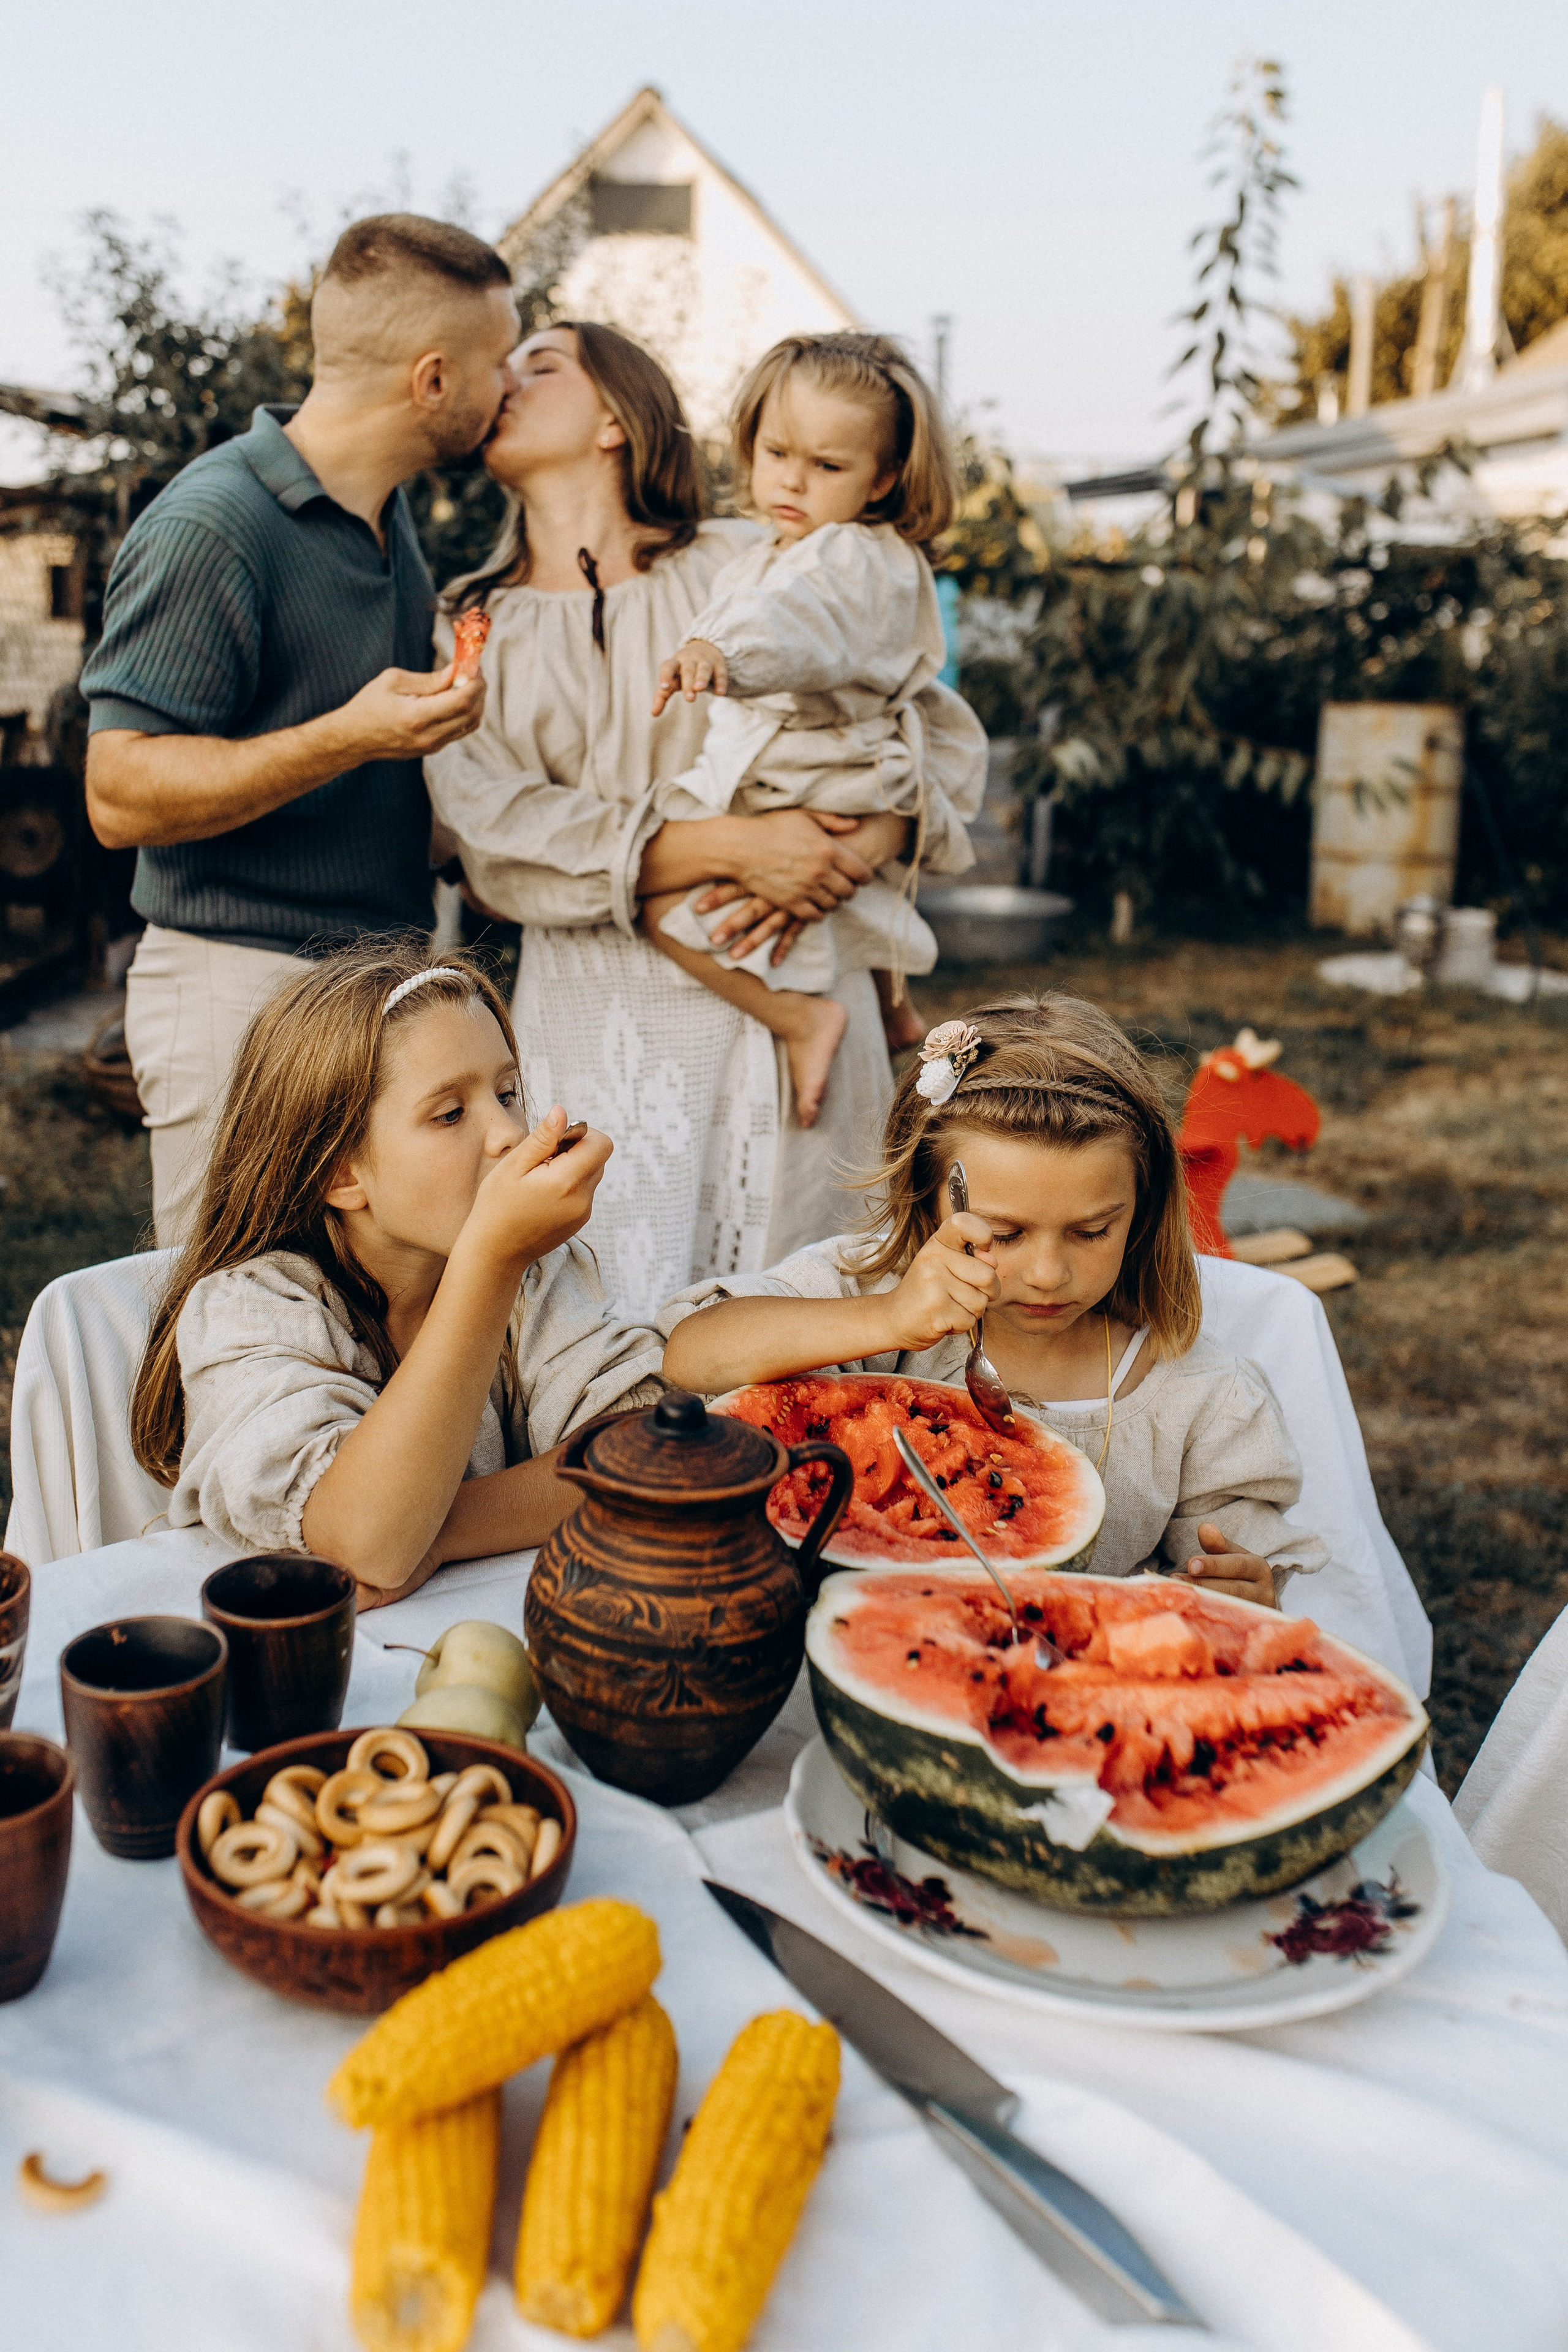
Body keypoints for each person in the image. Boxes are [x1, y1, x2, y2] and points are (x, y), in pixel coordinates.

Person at [428, 323, 982, 1318]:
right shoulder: (470, 622)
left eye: (540, 361)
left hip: (795, 961)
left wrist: (859, 841)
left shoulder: (748, 563)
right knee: (597, 1315)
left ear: (615, 417)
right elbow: (490, 834)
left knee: (797, 1304)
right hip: (590, 1013)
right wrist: (727, 845)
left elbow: (916, 716)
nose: (503, 376)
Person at [81, 214, 521, 1243]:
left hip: (365, 990)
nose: (511, 386)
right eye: (498, 361)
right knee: (233, 1320)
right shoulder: (214, 526)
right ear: (432, 381)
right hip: (241, 990)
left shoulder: (384, 514)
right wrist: (350, 735)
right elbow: (117, 792)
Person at [661, 997, 1329, 1608]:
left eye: (1091, 1231)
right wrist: (886, 1317)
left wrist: (1247, 1594)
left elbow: (1237, 1568)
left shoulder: (1202, 1399)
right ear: (924, 1204)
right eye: (1003, 1234)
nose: (1046, 1273)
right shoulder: (867, 1293)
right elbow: (691, 1355)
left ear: (1144, 1210)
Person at [128, 941, 665, 1610]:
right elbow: (367, 1542)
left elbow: (643, 1450)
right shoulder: (253, 1309)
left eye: (506, 1093)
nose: (506, 1133)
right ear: (339, 1172)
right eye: (450, 1113)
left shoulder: (532, 1276)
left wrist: (439, 1535)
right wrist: (489, 1264)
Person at [642, 331, 986, 1129]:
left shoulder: (850, 558)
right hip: (832, 768)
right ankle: (894, 1003)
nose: (793, 480)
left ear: (883, 480)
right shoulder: (789, 546)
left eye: (828, 467)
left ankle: (802, 1017)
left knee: (655, 902)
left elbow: (798, 624)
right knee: (845, 900)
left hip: (820, 769)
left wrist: (718, 650)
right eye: (777, 452)